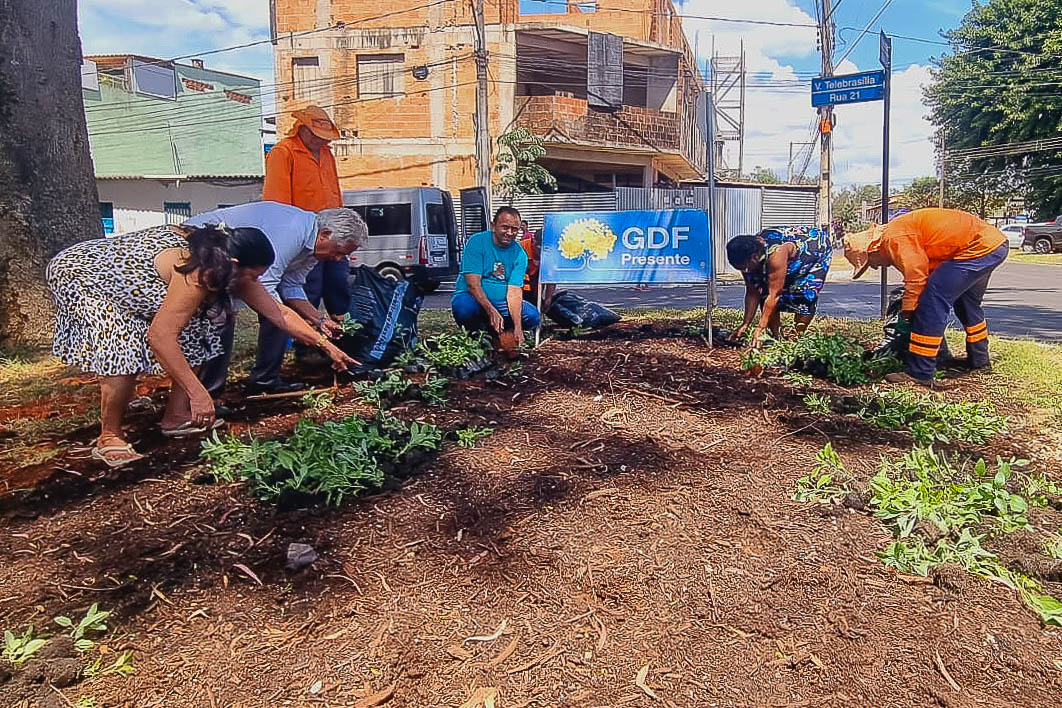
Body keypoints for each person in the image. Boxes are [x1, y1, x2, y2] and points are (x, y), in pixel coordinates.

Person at [46, 223, 351, 468]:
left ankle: (176, 417)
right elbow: (161, 337)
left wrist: (327, 346)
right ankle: (109, 437)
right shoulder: (197, 271)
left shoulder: (233, 263)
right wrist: (199, 393)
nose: (255, 282)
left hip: (135, 280)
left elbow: (278, 312)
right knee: (122, 351)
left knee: (196, 335)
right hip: (86, 276)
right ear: (235, 264)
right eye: (254, 275)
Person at [190, 202, 364, 396]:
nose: (338, 259)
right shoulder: (292, 229)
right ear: (325, 233)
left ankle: (264, 380)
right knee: (222, 318)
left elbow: (292, 286)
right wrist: (322, 343)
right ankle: (206, 395)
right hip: (199, 251)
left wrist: (320, 320)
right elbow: (265, 287)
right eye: (339, 251)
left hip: (226, 265)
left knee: (276, 318)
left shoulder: (314, 249)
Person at [844, 207, 1008, 386]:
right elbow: (930, 266)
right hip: (992, 244)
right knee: (966, 304)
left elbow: (916, 278)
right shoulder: (896, 232)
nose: (875, 267)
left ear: (872, 251)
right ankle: (980, 361)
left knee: (932, 301)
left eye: (870, 264)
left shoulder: (893, 238)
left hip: (978, 248)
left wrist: (908, 312)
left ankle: (920, 372)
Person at [262, 105, 349, 364]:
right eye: (318, 134)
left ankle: (339, 338)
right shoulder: (283, 152)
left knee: (337, 287)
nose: (322, 140)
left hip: (331, 233)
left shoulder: (327, 154)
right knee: (303, 290)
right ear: (303, 129)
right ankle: (306, 347)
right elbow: (276, 202)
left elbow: (335, 194)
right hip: (301, 236)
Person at [726, 225, 833, 344]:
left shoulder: (776, 254)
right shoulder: (746, 257)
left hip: (812, 250)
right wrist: (745, 324)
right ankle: (777, 338)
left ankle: (795, 339)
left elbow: (774, 295)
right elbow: (753, 292)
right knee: (764, 291)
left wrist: (761, 328)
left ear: (755, 257)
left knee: (804, 292)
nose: (744, 272)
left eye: (744, 268)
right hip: (779, 256)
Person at [451, 206, 541, 340]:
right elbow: (473, 284)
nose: (510, 233)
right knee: (463, 307)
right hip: (473, 297)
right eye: (505, 227)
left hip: (502, 302)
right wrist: (491, 310)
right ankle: (475, 335)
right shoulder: (476, 242)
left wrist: (518, 327)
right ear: (493, 226)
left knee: (533, 316)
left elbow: (514, 291)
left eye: (514, 229)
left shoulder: (519, 255)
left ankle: (504, 332)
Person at [519, 228, 555, 310]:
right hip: (522, 280)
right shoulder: (521, 248)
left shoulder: (552, 252)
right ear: (533, 242)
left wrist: (548, 299)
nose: (541, 252)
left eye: (545, 249)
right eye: (539, 248)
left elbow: (551, 277)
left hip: (537, 280)